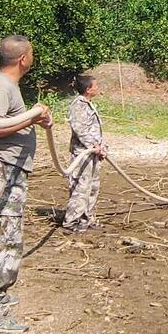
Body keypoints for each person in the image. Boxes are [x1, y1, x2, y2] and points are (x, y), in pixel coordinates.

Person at [0, 35, 52, 334]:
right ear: (23, 59)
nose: (33, 57)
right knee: (0, 234)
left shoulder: (8, 86)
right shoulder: (0, 85)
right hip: (1, 170)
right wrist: (30, 119)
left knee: (7, 233)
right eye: (32, 53)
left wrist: (32, 119)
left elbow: (5, 124)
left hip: (11, 170)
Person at [63, 74, 107, 233]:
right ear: (88, 89)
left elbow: (94, 130)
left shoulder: (88, 104)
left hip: (93, 154)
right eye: (95, 85)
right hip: (83, 155)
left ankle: (86, 219)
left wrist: (102, 147)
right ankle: (71, 221)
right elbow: (80, 129)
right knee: (81, 187)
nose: (98, 88)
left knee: (93, 187)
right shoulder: (78, 106)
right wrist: (93, 146)